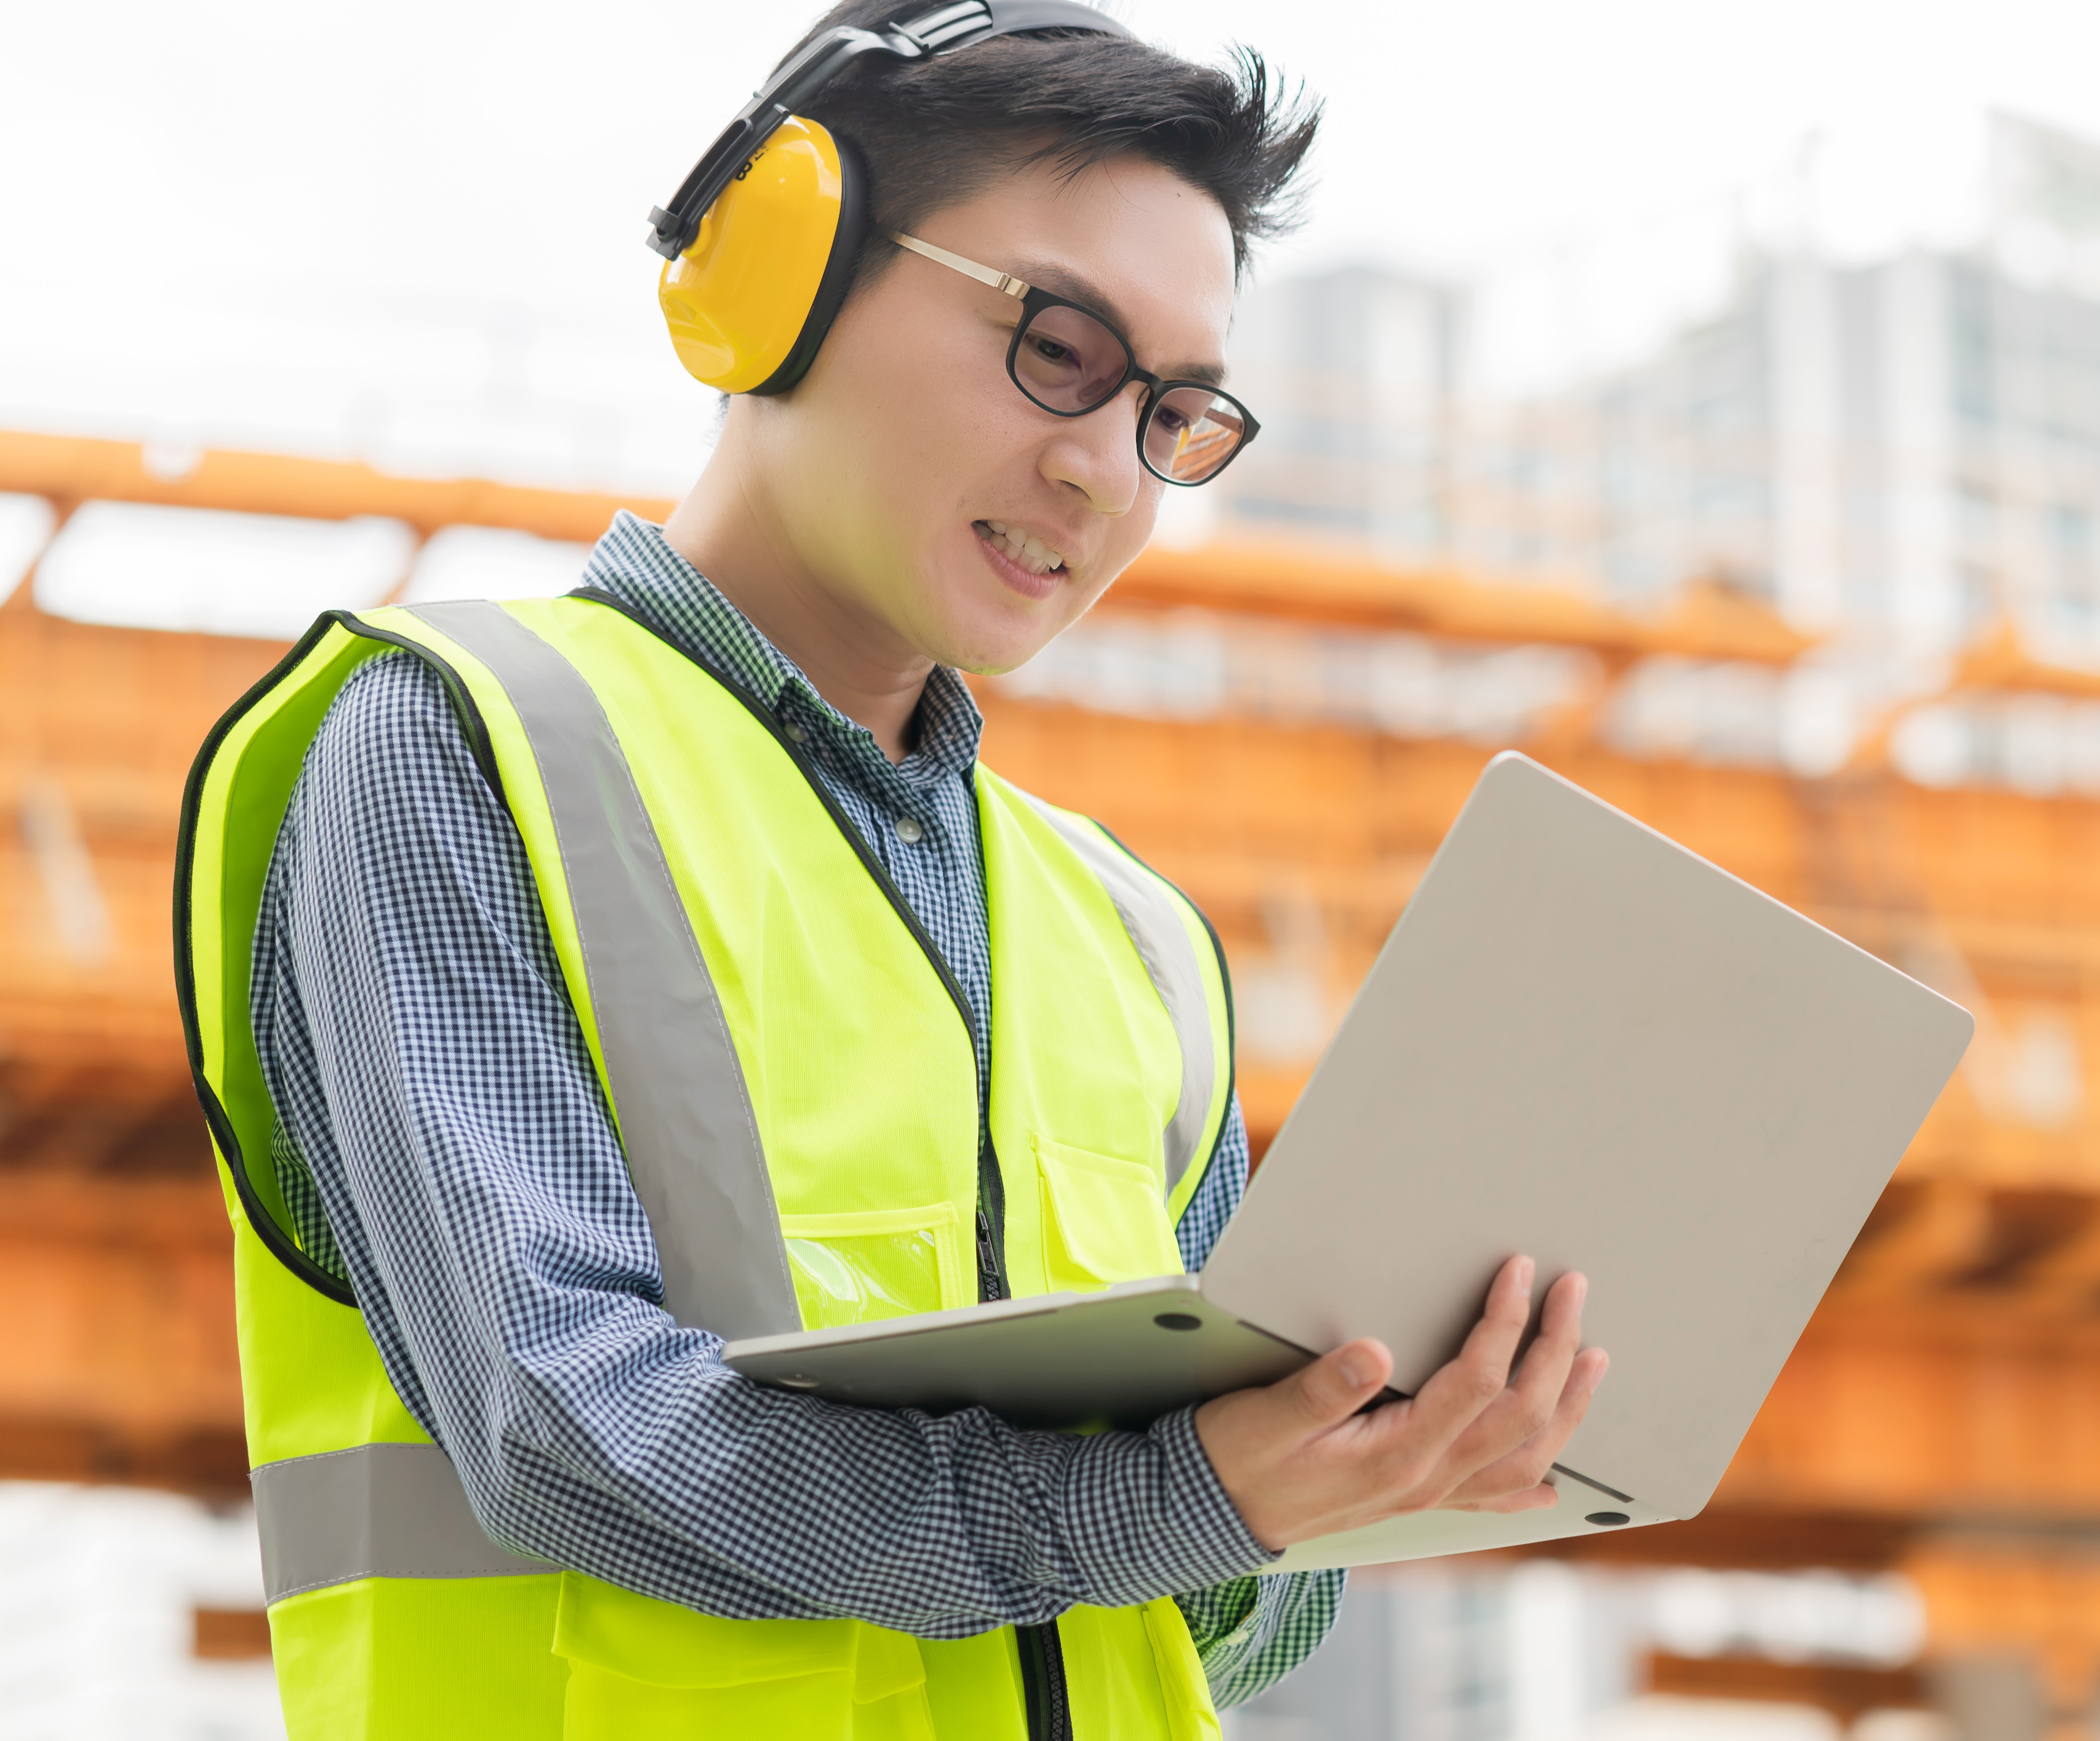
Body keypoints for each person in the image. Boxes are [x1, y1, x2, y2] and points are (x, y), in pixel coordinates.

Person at [179, 3, 1607, 1736]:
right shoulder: (459, 747)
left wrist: (1365, 1459)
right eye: (1061, 350)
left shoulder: (1131, 939)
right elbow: (569, 1423)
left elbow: (1208, 1614)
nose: (1105, 470)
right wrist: (1180, 1501)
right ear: (783, 268)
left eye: (1179, 415)